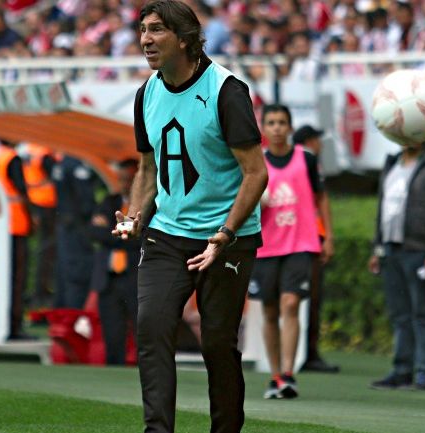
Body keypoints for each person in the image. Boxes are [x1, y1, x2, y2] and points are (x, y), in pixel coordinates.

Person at [115, 1, 267, 431]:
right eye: (143, 29)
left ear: (185, 38)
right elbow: (147, 167)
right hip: (166, 234)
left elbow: (256, 173)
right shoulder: (146, 92)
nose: (145, 39)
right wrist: (134, 215)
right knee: (151, 328)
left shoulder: (226, 91)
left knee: (218, 344)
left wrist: (226, 232)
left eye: (157, 30)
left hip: (227, 239)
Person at [249, 105, 332, 400]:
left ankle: (288, 374)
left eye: (282, 122)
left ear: (290, 127)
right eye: (271, 122)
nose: (277, 128)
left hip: (301, 243)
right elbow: (243, 202)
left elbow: (321, 198)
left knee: (290, 303)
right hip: (266, 246)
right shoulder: (256, 163)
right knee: (270, 311)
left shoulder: (306, 159)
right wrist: (256, 201)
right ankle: (274, 375)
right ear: (264, 128)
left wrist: (328, 237)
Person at [368, 136, 425, 391]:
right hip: (390, 250)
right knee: (400, 314)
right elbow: (382, 209)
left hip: (418, 250)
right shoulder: (392, 163)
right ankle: (401, 370)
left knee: (421, 311)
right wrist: (377, 248)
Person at [291, 124, 340, 373]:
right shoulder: (307, 160)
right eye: (318, 140)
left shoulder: (283, 158)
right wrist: (328, 237)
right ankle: (308, 353)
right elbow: (322, 199)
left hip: (285, 238)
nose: (321, 145)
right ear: (310, 141)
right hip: (308, 238)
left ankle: (295, 354)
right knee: (310, 298)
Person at [90, 158, 141, 365]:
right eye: (121, 179)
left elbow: (142, 238)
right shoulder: (110, 202)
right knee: (112, 334)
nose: (124, 184)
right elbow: (94, 232)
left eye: (128, 180)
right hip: (108, 279)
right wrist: (126, 236)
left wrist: (112, 233)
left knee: (142, 333)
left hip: (136, 277)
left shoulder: (150, 205)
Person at [0, 138, 34, 340]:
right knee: (17, 279)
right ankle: (13, 327)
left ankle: (4, 324)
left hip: (1, 226)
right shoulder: (12, 159)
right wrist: (32, 219)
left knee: (4, 279)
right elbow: (22, 193)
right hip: (16, 225)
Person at [53, 154, 96, 309]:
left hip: (64, 222)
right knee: (78, 270)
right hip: (77, 225)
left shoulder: (62, 162)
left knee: (64, 269)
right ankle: (74, 311)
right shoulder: (76, 164)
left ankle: (62, 308)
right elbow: (85, 199)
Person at [22, 143, 58, 308]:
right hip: (47, 204)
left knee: (41, 250)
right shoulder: (45, 153)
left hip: (33, 202)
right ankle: (41, 293)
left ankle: (38, 292)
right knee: (47, 250)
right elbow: (56, 178)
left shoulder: (28, 149)